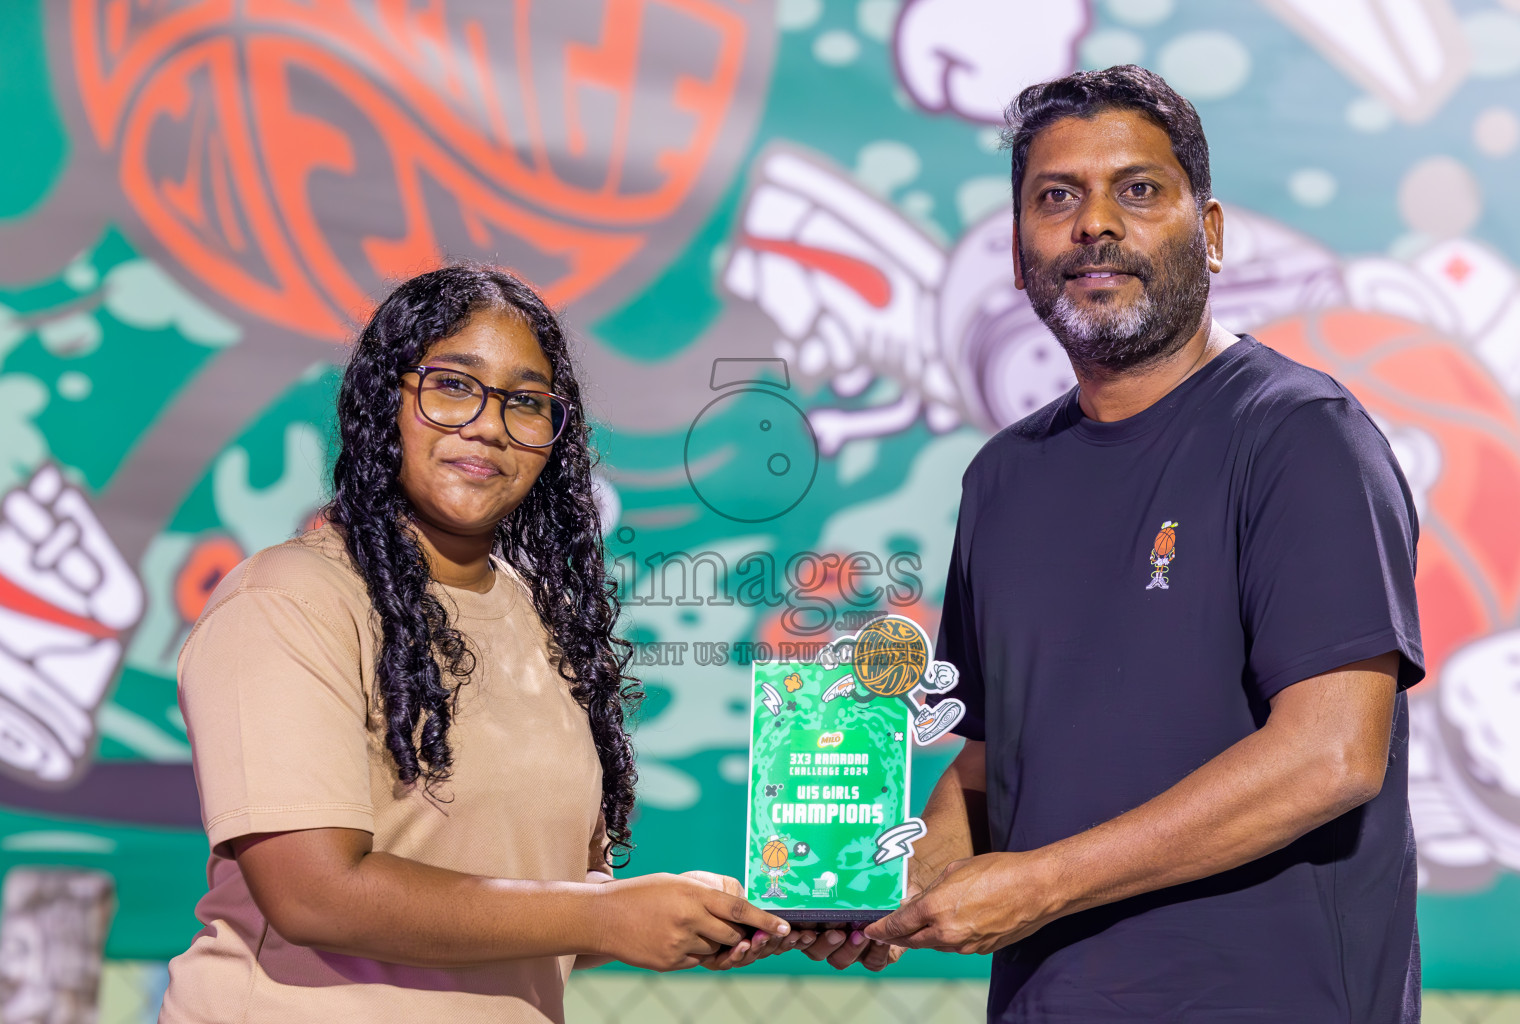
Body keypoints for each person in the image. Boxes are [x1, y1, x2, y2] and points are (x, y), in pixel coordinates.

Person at [851, 66, 1424, 1021]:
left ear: (1210, 232)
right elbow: (996, 767)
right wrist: (868, 893)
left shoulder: (1300, 432)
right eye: (1056, 197)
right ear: (1018, 246)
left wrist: (1040, 884)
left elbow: (1332, 755)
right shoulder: (1002, 476)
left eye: (1140, 189)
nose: (1094, 224)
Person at [160, 265, 792, 1023]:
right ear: (383, 401)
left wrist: (691, 913)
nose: (490, 424)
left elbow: (533, 902)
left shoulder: (542, 620)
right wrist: (602, 916)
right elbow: (314, 894)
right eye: (454, 385)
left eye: (527, 403)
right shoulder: (291, 600)